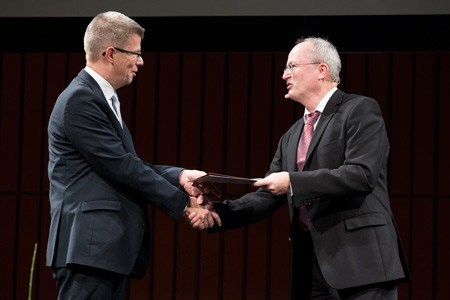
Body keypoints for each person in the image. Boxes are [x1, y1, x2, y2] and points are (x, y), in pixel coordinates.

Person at [187, 37, 410, 299]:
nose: (284, 75)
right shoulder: (292, 136)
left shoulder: (359, 109)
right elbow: (267, 195)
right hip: (310, 268)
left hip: (361, 262)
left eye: (291, 66)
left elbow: (361, 175)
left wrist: (293, 182)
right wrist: (217, 212)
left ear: (322, 70)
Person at [46, 11, 220, 300]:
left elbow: (129, 163)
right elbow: (121, 167)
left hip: (103, 252)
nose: (141, 61)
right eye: (135, 53)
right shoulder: (80, 99)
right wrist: (185, 204)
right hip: (88, 251)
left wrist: (179, 176)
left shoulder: (101, 98)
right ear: (110, 53)